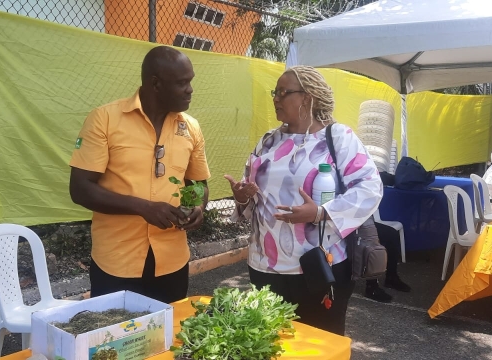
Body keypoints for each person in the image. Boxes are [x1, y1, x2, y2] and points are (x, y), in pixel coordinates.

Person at [225, 66, 383, 335]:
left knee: (319, 344)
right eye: (275, 92)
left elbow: (370, 188)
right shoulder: (267, 142)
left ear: (308, 98)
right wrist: (242, 198)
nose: (275, 98)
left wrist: (320, 213)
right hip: (265, 265)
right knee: (271, 342)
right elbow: (253, 200)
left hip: (318, 268)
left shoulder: (338, 139)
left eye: (283, 93)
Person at [68, 46, 211, 303]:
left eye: (190, 82)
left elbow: (198, 183)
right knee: (115, 339)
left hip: (172, 261)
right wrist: (142, 207)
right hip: (117, 261)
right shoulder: (105, 120)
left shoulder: (190, 127)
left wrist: (198, 206)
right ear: (156, 84)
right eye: (182, 83)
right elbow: (80, 188)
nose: (190, 89)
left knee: (169, 336)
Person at [364, 221, 411, 303]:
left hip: (361, 220)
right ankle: (371, 286)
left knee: (391, 234)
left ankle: (391, 277)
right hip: (345, 224)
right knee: (372, 239)